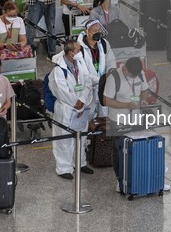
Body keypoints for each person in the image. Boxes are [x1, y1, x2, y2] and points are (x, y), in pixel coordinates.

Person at [102, 57, 149, 192]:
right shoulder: (114, 77)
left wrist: (144, 99)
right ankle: (120, 179)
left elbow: (144, 90)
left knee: (137, 147)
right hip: (118, 119)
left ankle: (136, 176)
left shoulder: (139, 73)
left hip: (136, 118)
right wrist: (126, 105)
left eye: (136, 75)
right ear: (125, 68)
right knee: (118, 150)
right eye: (131, 74)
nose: (134, 77)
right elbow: (106, 100)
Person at [49, 40, 94, 179]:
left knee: (82, 136)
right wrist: (76, 102)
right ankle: (64, 168)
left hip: (82, 107)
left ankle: (80, 163)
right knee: (64, 139)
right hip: (67, 108)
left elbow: (87, 82)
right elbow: (62, 91)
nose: (81, 52)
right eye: (78, 50)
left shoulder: (79, 64)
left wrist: (83, 100)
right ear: (70, 53)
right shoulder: (58, 70)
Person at [77, 20, 116, 117]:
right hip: (88, 87)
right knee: (88, 116)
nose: (97, 33)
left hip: (103, 86)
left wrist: (110, 75)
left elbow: (111, 61)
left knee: (104, 116)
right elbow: (82, 71)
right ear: (86, 32)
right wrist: (99, 80)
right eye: (94, 31)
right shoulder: (79, 48)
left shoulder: (103, 43)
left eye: (99, 30)